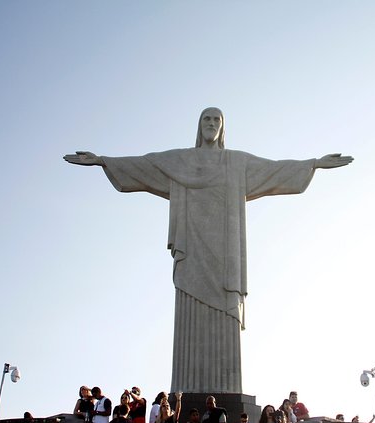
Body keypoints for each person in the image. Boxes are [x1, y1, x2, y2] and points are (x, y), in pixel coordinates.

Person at [64, 107, 353, 394]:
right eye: (207, 119)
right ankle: (186, 387)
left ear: (223, 127)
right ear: (199, 125)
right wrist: (103, 161)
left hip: (225, 255)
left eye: (217, 120)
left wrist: (313, 164)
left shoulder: (236, 163)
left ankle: (225, 387)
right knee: (189, 304)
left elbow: (275, 168)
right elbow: (145, 165)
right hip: (191, 250)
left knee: (225, 309)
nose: (211, 124)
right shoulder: (181, 161)